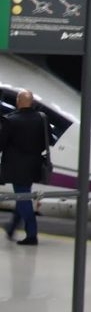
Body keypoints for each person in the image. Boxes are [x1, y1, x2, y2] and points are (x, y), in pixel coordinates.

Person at [1, 89, 49, 245]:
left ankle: (32, 235)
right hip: (34, 165)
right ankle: (12, 228)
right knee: (23, 196)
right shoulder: (42, 119)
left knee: (23, 198)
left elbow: (1, 144)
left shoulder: (10, 120)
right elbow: (46, 142)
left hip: (16, 167)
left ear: (19, 101)